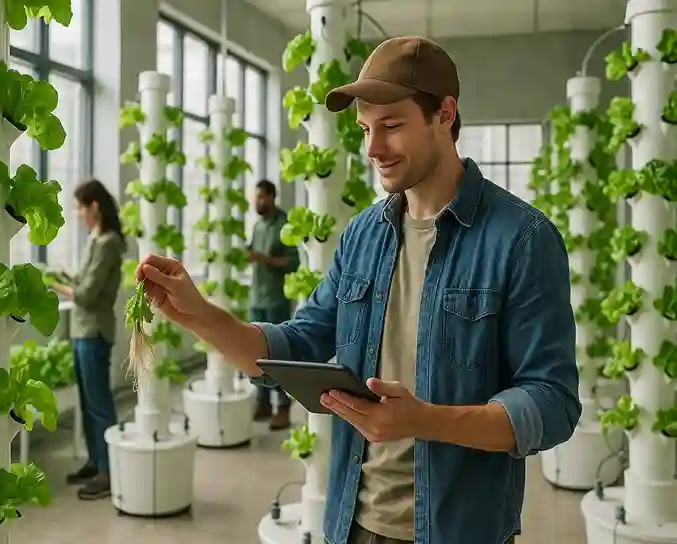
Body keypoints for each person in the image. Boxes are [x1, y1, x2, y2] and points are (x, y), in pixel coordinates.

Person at [133, 36, 580, 544]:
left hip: (460, 529)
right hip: (352, 525)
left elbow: (552, 402)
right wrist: (198, 315)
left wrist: (424, 421)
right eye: (366, 128)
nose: (372, 148)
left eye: (391, 126)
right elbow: (298, 345)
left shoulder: (522, 239)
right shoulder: (363, 236)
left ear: (445, 114)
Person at [50, 178, 125, 501]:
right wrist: (67, 276)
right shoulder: (96, 239)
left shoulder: (108, 243)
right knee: (87, 402)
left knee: (99, 405)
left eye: (81, 207)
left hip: (94, 332)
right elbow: (83, 280)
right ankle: (95, 462)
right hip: (83, 332)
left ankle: (107, 471)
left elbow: (86, 294)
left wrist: (55, 287)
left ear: (94, 206)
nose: (78, 214)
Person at [246, 179, 299, 430]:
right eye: (255, 197)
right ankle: (263, 402)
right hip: (256, 297)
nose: (257, 202)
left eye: (261, 197)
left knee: (277, 354)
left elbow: (292, 262)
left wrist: (264, 259)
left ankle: (283, 408)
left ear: (272, 197)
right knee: (255, 355)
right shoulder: (257, 226)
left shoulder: (284, 224)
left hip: (276, 299)